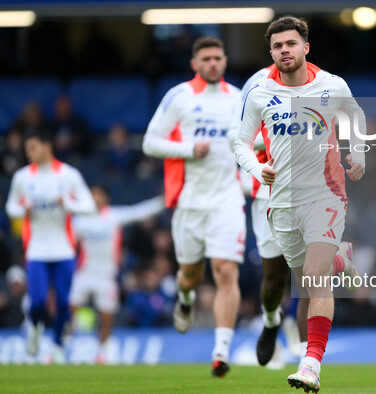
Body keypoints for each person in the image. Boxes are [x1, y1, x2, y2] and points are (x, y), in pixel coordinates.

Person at [233, 17, 365, 392]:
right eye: (277, 46)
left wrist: (360, 156)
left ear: (306, 47)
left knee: (315, 279)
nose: (284, 51)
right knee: (304, 283)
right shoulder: (258, 93)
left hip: (326, 194)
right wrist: (257, 169)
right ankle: (342, 257)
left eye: (290, 44)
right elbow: (240, 143)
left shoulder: (332, 85)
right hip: (282, 202)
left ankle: (311, 365)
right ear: (271, 52)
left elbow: (355, 116)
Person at [142, 36, 245, 377]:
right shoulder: (180, 97)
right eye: (206, 58)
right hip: (189, 202)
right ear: (195, 64)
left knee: (226, 271)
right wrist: (187, 148)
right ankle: (184, 299)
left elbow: (257, 139)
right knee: (190, 275)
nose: (213, 63)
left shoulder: (240, 98)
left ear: (225, 60)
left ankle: (221, 351)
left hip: (228, 199)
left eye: (218, 57)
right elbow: (150, 142)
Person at [5, 129, 96, 363]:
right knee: (37, 301)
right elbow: (11, 207)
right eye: (27, 148)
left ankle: (57, 346)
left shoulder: (68, 175)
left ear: (47, 146)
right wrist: (23, 210)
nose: (28, 152)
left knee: (64, 303)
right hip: (36, 249)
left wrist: (67, 203)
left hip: (64, 249)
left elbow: (89, 206)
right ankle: (35, 327)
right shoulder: (23, 177)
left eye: (32, 147)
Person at [69, 185, 165, 364]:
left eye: (98, 194)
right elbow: (67, 243)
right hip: (83, 273)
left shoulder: (114, 216)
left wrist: (163, 201)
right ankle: (61, 346)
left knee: (106, 317)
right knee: (69, 311)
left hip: (106, 276)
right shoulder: (79, 221)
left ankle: (102, 352)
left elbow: (140, 211)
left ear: (106, 198)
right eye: (92, 194)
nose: (95, 198)